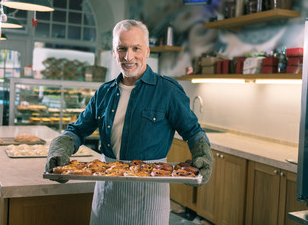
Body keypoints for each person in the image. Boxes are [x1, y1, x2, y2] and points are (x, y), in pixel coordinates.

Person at [45, 19, 213, 225]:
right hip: (107, 192)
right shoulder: (103, 93)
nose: (128, 56)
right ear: (114, 53)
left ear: (148, 51)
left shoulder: (168, 90)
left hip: (149, 195)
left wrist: (203, 156)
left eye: (136, 48)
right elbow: (77, 130)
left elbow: (193, 131)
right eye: (122, 48)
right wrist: (58, 150)